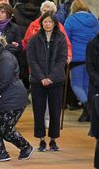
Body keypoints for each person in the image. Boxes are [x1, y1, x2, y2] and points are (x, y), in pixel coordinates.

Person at [0, 31, 33, 162]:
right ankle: (1, 152)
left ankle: (25, 146)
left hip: (12, 100)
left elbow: (4, 81)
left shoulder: (6, 58)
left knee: (5, 129)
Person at [27, 11, 67, 152]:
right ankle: (41, 139)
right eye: (45, 22)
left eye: (50, 21)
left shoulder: (61, 38)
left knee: (55, 111)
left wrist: (51, 77)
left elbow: (62, 60)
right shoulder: (34, 39)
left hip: (56, 81)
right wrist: (42, 77)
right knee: (38, 111)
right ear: (41, 23)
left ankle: (53, 139)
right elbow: (32, 60)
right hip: (38, 82)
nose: (47, 24)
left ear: (55, 23)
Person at [64, 0, 99, 122]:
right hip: (93, 57)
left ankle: (88, 107)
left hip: (77, 57)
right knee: (87, 85)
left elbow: (66, 39)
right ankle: (88, 111)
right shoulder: (95, 20)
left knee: (76, 85)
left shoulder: (70, 20)